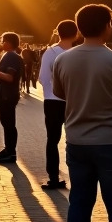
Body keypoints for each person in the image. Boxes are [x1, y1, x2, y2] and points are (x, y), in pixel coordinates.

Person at [53, 3, 112, 222]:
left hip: (77, 142)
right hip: (111, 142)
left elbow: (59, 92)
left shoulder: (63, 60)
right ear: (107, 26)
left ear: (78, 28)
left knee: (79, 203)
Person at [38, 19, 77, 191]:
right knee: (74, 139)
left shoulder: (50, 52)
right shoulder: (78, 53)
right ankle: (77, 176)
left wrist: (50, 91)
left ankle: (54, 177)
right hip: (75, 102)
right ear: (76, 34)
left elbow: (42, 77)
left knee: (52, 140)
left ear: (58, 33)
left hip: (53, 101)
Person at [0, 31, 23, 164]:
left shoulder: (11, 57)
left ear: (8, 43)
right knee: (7, 124)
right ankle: (8, 149)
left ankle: (10, 152)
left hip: (7, 95)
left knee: (8, 124)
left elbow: (9, 77)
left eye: (3, 41)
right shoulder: (10, 55)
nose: (1, 43)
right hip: (6, 94)